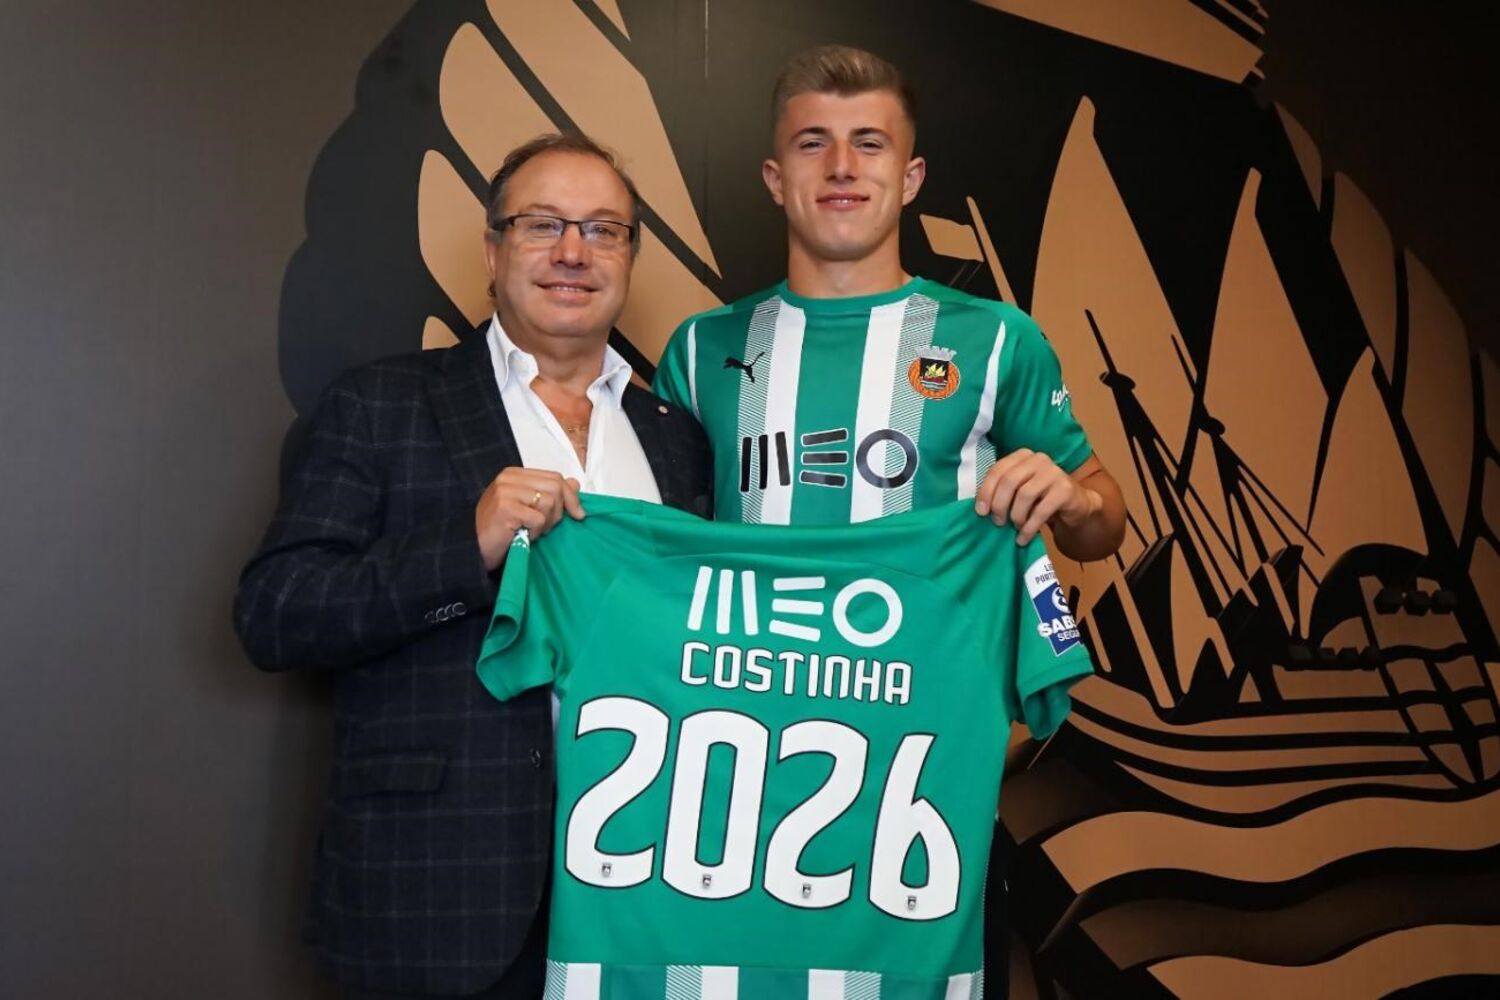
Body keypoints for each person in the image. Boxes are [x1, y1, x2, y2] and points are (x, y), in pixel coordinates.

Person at [650, 43, 1126, 994]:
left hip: (929, 771)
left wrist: (1073, 500)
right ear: (774, 178)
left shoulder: (997, 341)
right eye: (813, 143)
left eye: (869, 144)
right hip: (745, 775)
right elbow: (659, 556)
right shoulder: (701, 350)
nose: (841, 166)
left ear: (909, 178)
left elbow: (1102, 521)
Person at [234, 132, 711, 999]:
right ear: (493, 251)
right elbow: (277, 613)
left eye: (603, 230)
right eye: (543, 225)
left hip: (646, 890)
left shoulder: (677, 440)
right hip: (442, 894)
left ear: (631, 256)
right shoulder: (380, 403)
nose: (574, 252)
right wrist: (467, 544)